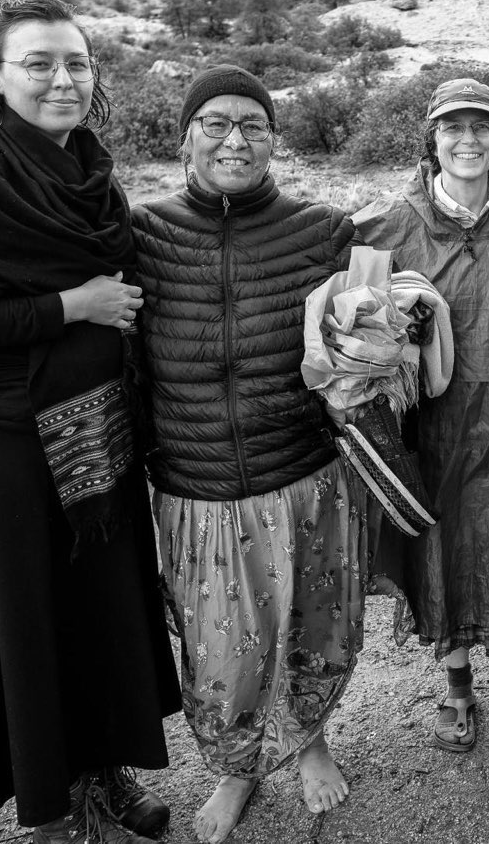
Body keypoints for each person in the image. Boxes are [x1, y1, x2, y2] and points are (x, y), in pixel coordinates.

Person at [0, 0, 179, 844]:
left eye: (77, 63)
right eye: (39, 63)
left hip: (93, 431)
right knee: (30, 620)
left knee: (96, 611)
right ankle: (52, 813)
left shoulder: (90, 169)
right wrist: (73, 305)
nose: (63, 79)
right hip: (3, 439)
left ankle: (105, 773)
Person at [131, 65, 364, 844]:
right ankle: (238, 768)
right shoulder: (144, 235)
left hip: (301, 472)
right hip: (196, 486)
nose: (235, 139)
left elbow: (356, 336)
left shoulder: (321, 230)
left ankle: (310, 742)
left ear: (273, 140)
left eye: (253, 125)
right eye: (216, 123)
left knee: (312, 632)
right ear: (185, 139)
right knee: (221, 653)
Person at [355, 76, 489, 751]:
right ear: (433, 139)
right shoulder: (395, 220)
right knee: (447, 543)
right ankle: (457, 689)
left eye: (482, 127)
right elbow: (353, 295)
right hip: (443, 416)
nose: (468, 140)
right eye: (453, 127)